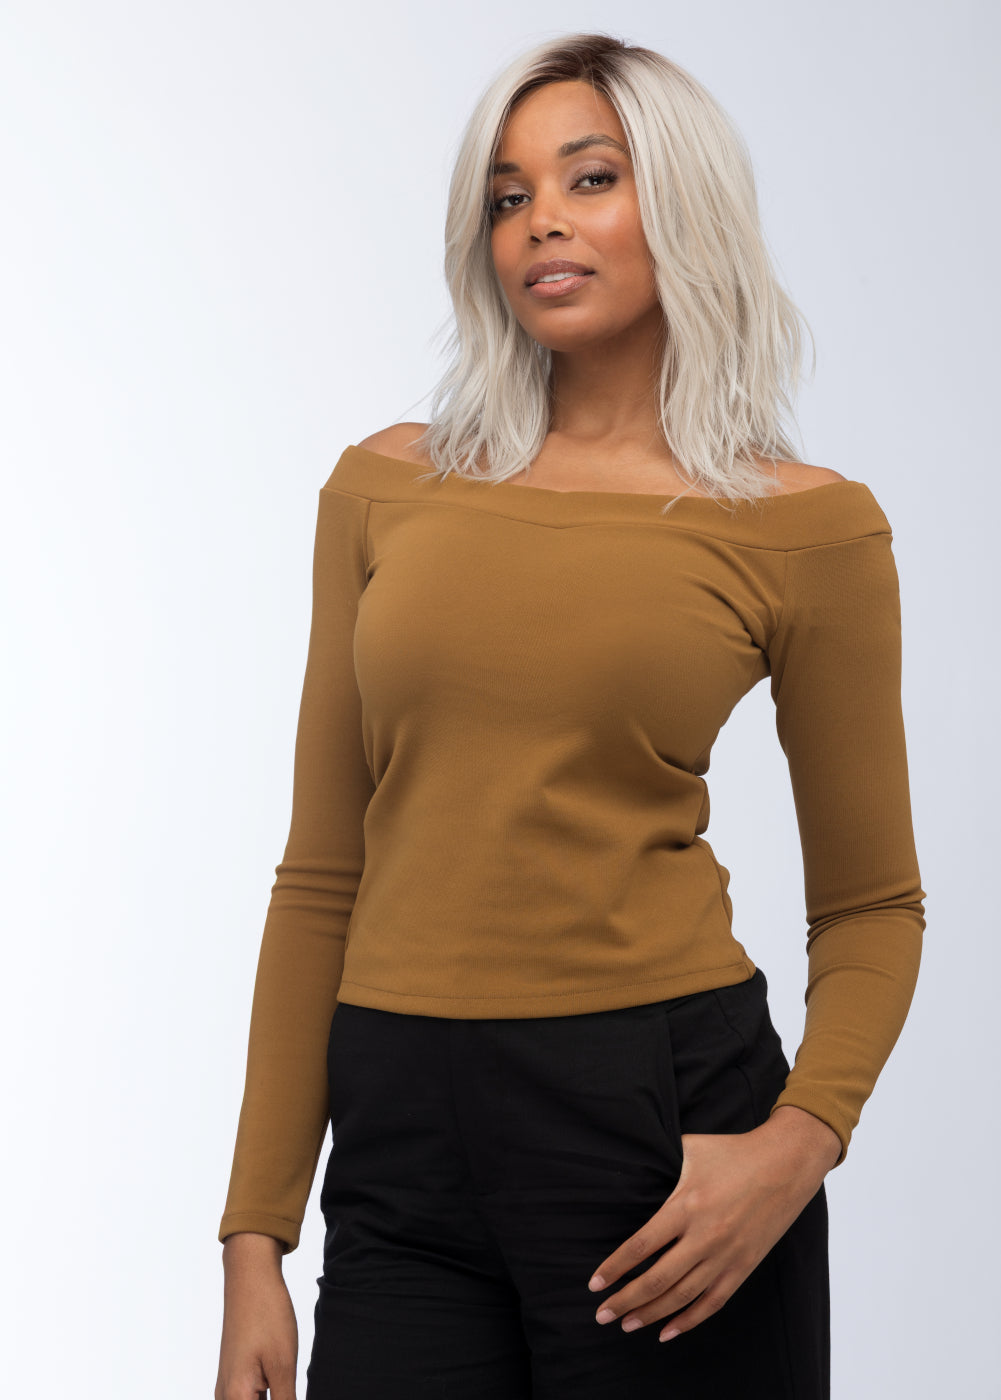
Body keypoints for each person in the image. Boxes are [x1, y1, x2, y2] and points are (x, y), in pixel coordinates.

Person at [214, 32, 925, 1400]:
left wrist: (794, 1150)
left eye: (589, 177)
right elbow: (322, 874)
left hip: (657, 1131)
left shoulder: (804, 529)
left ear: (683, 205)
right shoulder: (385, 487)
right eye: (508, 194)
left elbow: (873, 906)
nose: (539, 217)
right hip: (400, 1138)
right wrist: (257, 1234)